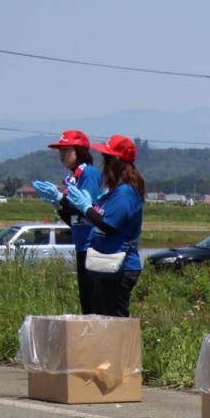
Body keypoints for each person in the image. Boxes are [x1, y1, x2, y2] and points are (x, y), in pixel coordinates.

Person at [62, 135, 145, 318]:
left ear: (116, 162)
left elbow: (109, 226)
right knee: (99, 318)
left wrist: (86, 208)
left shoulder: (125, 193)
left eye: (107, 159)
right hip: (105, 263)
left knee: (113, 321)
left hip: (119, 266)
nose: (103, 164)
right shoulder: (114, 192)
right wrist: (63, 205)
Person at [31, 130, 103, 314]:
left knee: (94, 305)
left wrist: (61, 199)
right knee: (86, 303)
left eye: (67, 149)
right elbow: (74, 219)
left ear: (80, 150)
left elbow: (87, 209)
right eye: (60, 150)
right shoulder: (73, 178)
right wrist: (58, 204)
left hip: (92, 246)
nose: (62, 154)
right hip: (81, 245)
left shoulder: (88, 173)